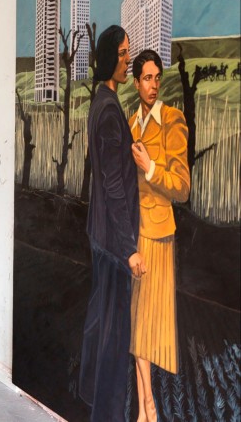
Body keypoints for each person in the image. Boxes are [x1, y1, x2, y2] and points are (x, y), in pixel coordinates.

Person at [79, 25, 146, 422]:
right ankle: (105, 412)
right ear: (108, 58)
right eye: (123, 54)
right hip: (111, 238)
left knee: (98, 318)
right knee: (114, 328)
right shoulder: (107, 109)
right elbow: (114, 186)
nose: (128, 60)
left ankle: (89, 393)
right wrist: (130, 247)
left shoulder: (103, 102)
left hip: (99, 232)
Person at [129, 49, 190, 422]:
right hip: (133, 239)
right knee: (137, 325)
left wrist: (151, 168)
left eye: (157, 78)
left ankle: (148, 407)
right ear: (136, 83)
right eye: (146, 78)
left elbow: (182, 187)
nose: (153, 85)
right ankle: (145, 408)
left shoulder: (173, 120)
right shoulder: (130, 124)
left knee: (148, 327)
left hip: (158, 236)